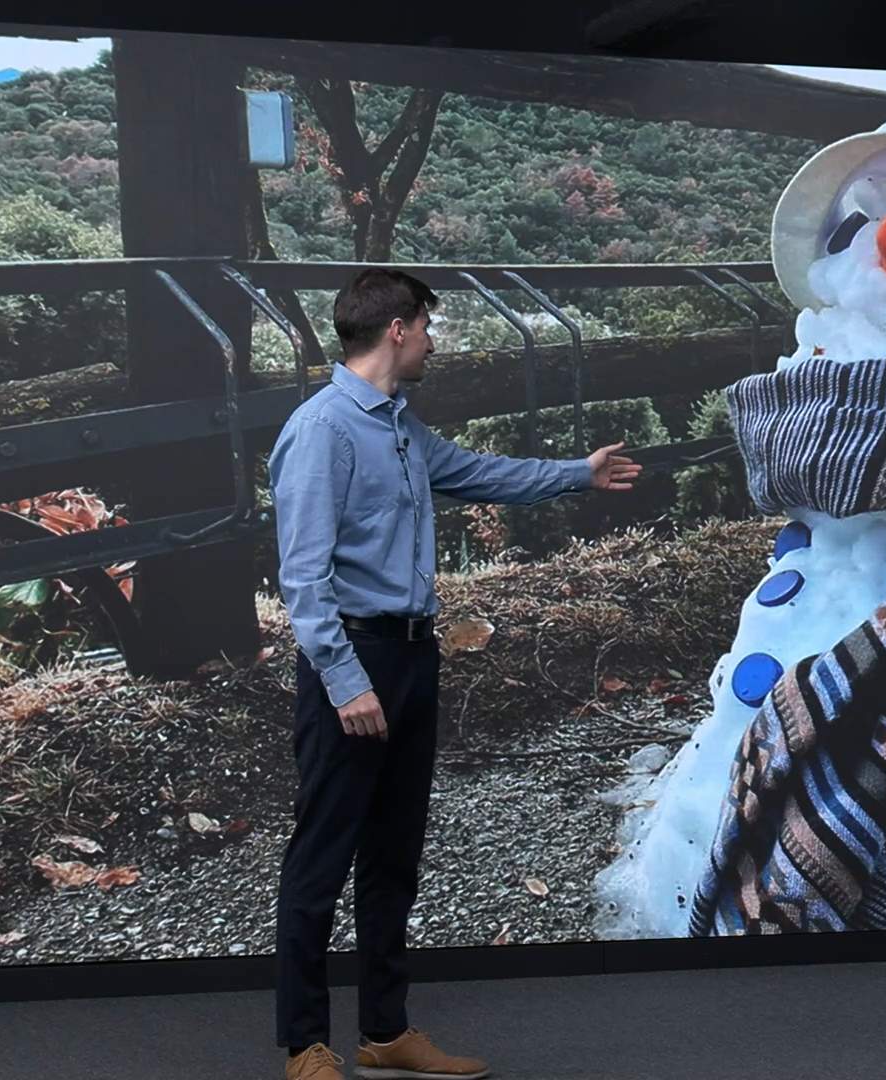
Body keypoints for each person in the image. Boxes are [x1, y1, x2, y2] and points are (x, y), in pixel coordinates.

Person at [270, 268, 641, 1080]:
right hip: (356, 658)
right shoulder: (321, 429)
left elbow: (482, 471)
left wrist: (578, 473)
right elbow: (302, 579)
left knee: (395, 851)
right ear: (397, 328)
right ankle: (304, 1044)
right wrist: (344, 681)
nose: (435, 340)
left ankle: (384, 1031)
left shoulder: (401, 427)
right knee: (322, 856)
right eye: (430, 325)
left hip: (411, 653)